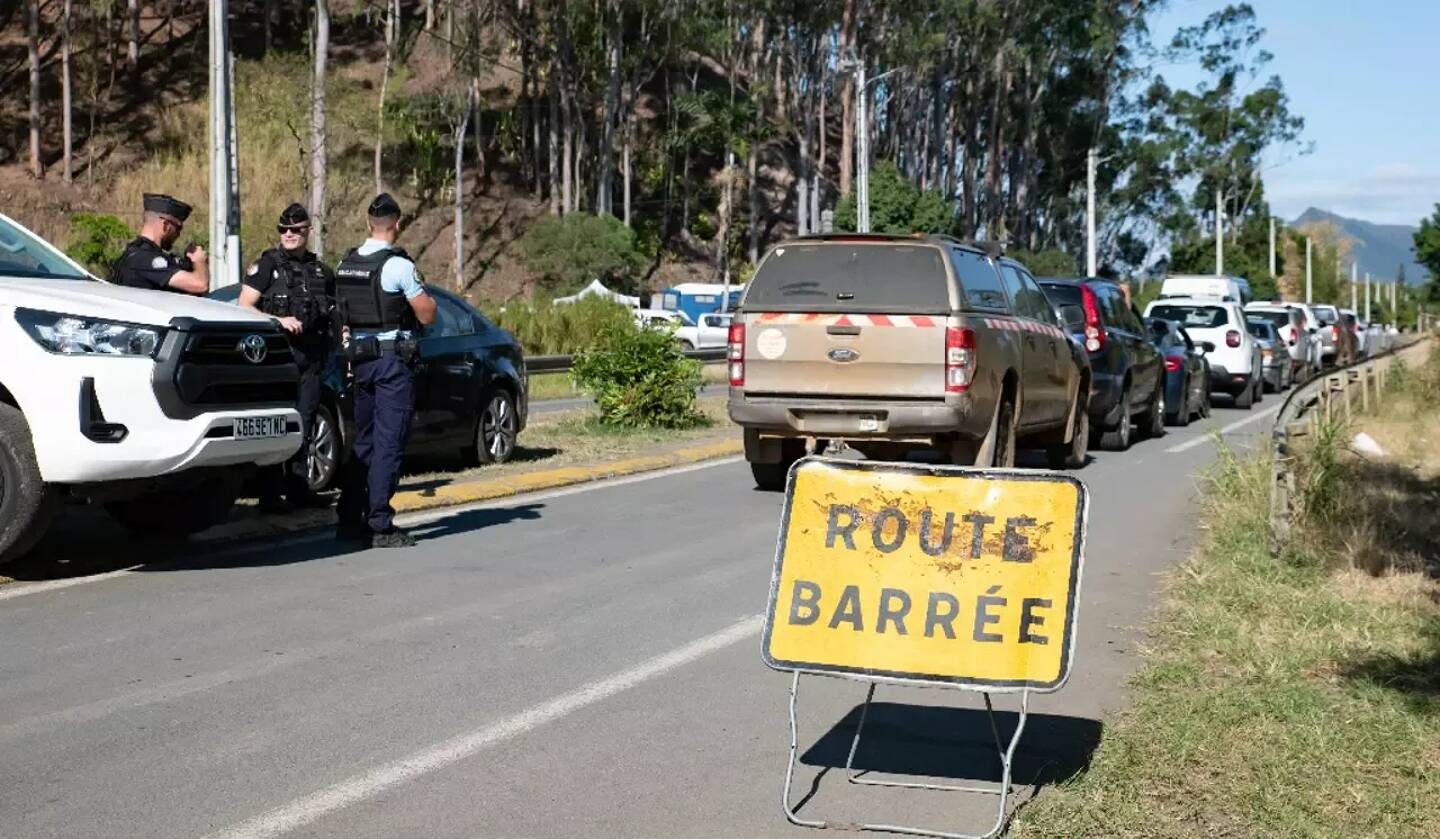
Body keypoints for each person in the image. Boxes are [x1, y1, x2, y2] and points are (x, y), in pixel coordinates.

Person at [333, 193, 437, 548]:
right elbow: (427, 314)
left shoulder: (346, 263)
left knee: (363, 442)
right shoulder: (399, 266)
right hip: (392, 361)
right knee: (388, 444)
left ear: (367, 224)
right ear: (398, 223)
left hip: (361, 360)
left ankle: (349, 519)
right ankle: (380, 524)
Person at [237, 203, 336, 512]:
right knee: (278, 424)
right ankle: (269, 495)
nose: (289, 235)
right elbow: (244, 305)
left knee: (305, 423)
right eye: (284, 230)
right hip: (279, 357)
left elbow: (334, 311)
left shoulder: (321, 270)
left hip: (312, 357)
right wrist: (279, 321)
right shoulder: (267, 264)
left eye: (295, 230)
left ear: (309, 231)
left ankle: (298, 488)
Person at [109, 193, 209, 294]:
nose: (178, 234)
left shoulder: (139, 253)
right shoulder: (144, 258)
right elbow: (200, 285)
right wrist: (199, 261)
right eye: (178, 228)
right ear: (166, 226)